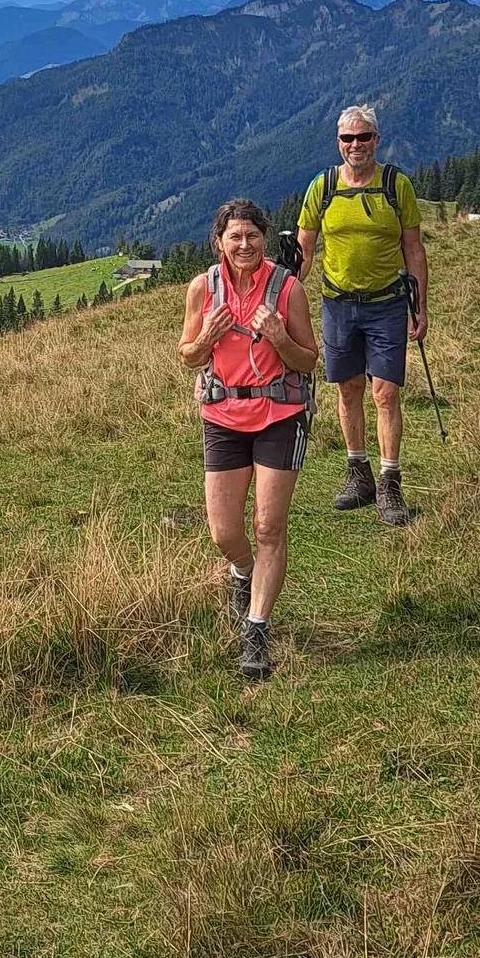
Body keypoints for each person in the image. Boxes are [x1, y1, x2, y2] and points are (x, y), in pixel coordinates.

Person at [178, 199, 320, 680]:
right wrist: (206, 339)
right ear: (219, 242)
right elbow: (188, 355)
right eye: (234, 237)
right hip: (223, 415)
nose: (244, 245)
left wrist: (280, 338)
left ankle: (256, 632)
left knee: (268, 528)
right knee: (223, 531)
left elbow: (308, 360)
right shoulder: (203, 288)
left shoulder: (287, 288)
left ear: (265, 238)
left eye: (252, 236)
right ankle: (243, 571)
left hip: (280, 413)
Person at [296, 105, 428, 526]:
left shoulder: (396, 185)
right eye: (348, 138)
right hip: (337, 304)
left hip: (387, 303)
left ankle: (390, 482)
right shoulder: (322, 187)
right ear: (338, 143)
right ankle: (359, 475)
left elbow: (413, 248)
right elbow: (304, 251)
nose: (356, 145)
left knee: (385, 393)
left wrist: (420, 306)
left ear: (377, 139)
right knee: (348, 389)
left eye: (364, 137)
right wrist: (282, 297)